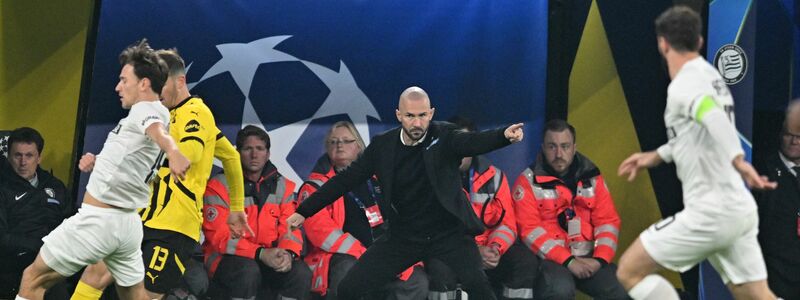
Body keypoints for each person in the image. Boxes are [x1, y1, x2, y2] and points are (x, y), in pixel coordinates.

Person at [287, 86, 524, 300]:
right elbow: (345, 180)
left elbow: (474, 142)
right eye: (410, 116)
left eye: (422, 115)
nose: (417, 123)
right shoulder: (383, 146)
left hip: (449, 235)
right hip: (404, 237)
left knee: (479, 288)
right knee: (350, 288)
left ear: (431, 114)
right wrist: (305, 210)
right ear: (399, 115)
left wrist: (503, 136)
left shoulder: (446, 136)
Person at [616, 6, 778, 300]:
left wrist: (739, 160)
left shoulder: (684, 85)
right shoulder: (711, 77)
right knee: (759, 297)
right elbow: (694, 136)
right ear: (700, 42)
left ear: (662, 43)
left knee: (629, 271)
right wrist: (656, 156)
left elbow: (710, 116)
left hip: (709, 213)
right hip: (737, 210)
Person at [69, 48, 251, 300]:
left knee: (142, 295)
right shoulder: (162, 114)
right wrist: (236, 207)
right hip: (140, 215)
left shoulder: (195, 113)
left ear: (179, 81)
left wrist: (158, 146)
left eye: (160, 84)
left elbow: (188, 154)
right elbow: (231, 156)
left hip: (173, 227)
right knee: (95, 273)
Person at [16, 39, 191, 300]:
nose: (118, 87)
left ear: (143, 84)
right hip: (129, 226)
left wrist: (174, 152)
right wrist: (98, 163)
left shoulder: (145, 111)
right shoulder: (158, 111)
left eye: (124, 80)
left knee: (33, 279)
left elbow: (158, 132)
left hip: (98, 221)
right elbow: (133, 158)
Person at [298, 121, 428, 300]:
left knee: (416, 278)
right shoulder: (316, 186)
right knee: (349, 270)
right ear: (327, 148)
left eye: (346, 141)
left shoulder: (381, 179)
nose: (339, 145)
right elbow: (320, 231)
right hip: (342, 257)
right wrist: (364, 253)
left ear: (359, 145)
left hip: (384, 253)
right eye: (333, 142)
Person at [424, 116, 537, 300]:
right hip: (450, 253)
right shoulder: (430, 178)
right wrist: (474, 252)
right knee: (439, 269)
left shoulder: (495, 177)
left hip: (488, 250)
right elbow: (431, 231)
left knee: (524, 261)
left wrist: (495, 248)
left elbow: (507, 225)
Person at [513, 119, 626, 299]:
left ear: (574, 147)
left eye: (565, 146)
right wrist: (568, 261)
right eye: (552, 146)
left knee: (622, 289)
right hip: (551, 259)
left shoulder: (593, 177)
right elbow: (529, 230)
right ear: (543, 147)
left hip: (589, 257)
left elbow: (607, 222)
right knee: (559, 290)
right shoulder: (527, 182)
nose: (559, 153)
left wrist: (600, 259)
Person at [203, 125, 311, 300]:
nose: (254, 155)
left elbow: (291, 228)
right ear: (237, 152)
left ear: (267, 154)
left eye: (260, 149)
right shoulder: (218, 186)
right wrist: (259, 253)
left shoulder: (284, 186)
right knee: (248, 271)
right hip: (227, 260)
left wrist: (287, 253)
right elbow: (220, 236)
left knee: (301, 273)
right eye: (248, 149)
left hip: (269, 258)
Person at [0, 127, 71, 298]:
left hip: (53, 262)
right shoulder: (3, 187)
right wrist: (40, 245)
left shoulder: (55, 186)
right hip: (15, 263)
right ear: (9, 157)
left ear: (39, 158)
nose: (23, 162)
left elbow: (71, 221)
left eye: (29, 155)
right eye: (18, 155)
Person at [752, 99, 800, 299]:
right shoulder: (762, 172)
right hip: (774, 281)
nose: (794, 141)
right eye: (790, 134)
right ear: (780, 134)